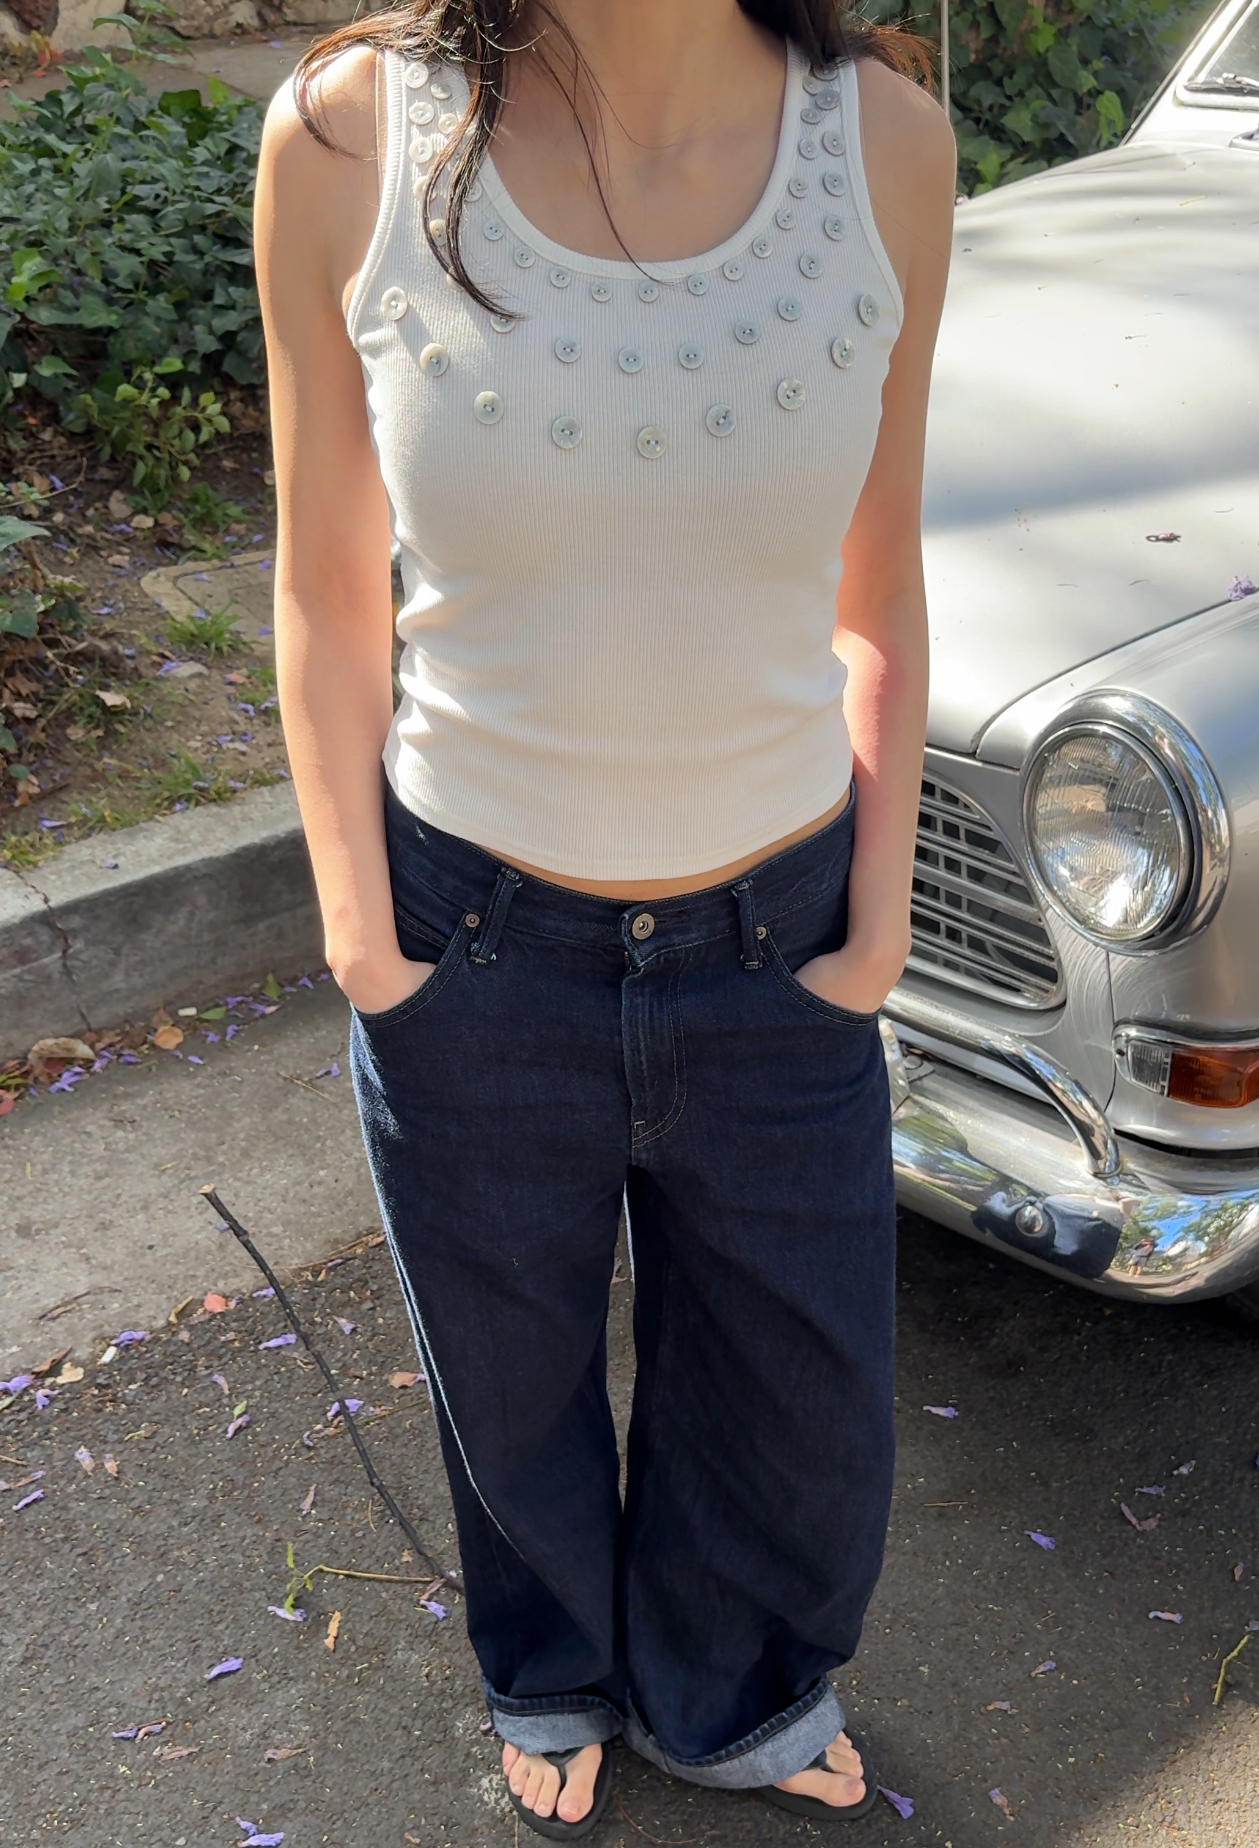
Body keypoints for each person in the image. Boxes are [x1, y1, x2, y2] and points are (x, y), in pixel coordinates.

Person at [255, 0, 953, 1834]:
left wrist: (872, 924)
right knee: (511, 1381)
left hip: (780, 939)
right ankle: (548, 1665)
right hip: (468, 939)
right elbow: (326, 587)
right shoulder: (348, 142)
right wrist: (360, 942)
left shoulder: (884, 145)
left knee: (801, 1400)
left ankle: (731, 1689)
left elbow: (879, 576)